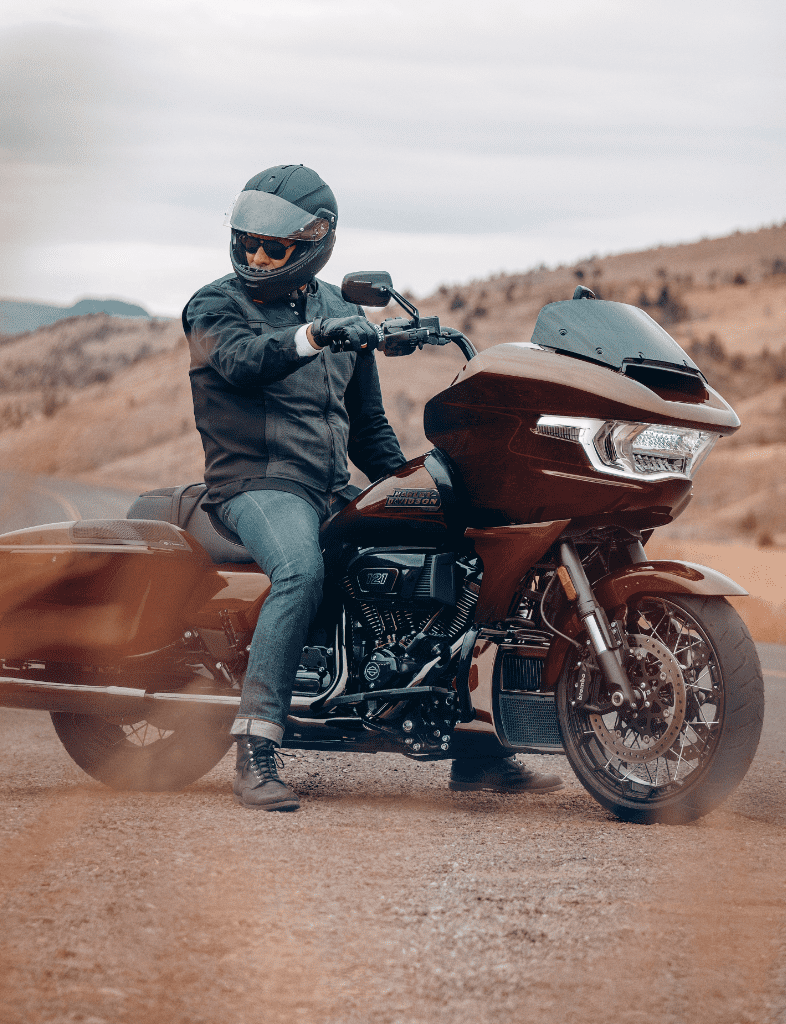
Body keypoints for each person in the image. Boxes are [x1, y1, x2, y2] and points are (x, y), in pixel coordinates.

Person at [184, 164, 562, 811]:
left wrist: (412, 487)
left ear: (312, 245)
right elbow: (244, 360)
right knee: (300, 571)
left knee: (457, 559)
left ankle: (473, 751)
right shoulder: (214, 306)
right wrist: (313, 335)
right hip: (257, 483)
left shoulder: (338, 309)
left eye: (270, 246)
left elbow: (367, 427)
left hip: (331, 484)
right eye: (246, 241)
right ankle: (256, 747)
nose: (254, 255)